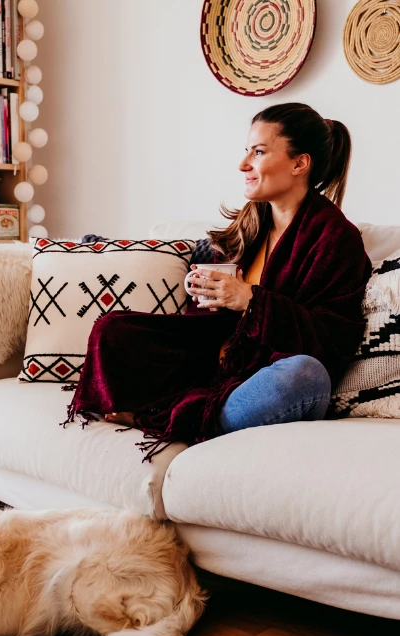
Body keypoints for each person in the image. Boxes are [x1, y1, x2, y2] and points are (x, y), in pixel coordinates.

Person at [66, 103, 372, 461]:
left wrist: (251, 301)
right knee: (113, 329)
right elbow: (217, 325)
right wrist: (209, 297)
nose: (243, 165)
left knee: (305, 375)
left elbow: (334, 338)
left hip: (268, 378)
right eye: (246, 152)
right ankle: (177, 411)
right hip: (217, 365)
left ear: (299, 163)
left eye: (258, 152)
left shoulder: (335, 238)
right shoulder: (250, 224)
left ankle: (178, 419)